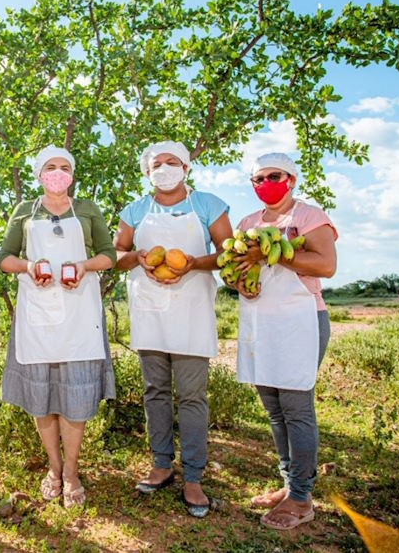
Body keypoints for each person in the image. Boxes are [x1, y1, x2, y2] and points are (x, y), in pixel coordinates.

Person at [114, 140, 233, 518]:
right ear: (146, 172)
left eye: (171, 162)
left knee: (192, 395)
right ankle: (161, 464)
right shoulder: (135, 210)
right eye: (156, 164)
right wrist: (136, 258)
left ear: (185, 167)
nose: (163, 168)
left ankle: (194, 476)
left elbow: (228, 253)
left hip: (192, 310)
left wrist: (194, 263)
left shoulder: (207, 205)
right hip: (149, 310)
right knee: (155, 391)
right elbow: (116, 255)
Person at [0, 145, 116, 508]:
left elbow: (109, 255)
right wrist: (30, 267)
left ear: (73, 174)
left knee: (75, 396)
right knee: (42, 395)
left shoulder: (86, 209)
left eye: (65, 167)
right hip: (37, 312)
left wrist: (83, 266)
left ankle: (72, 472)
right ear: (38, 174)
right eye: (50, 166)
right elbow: (5, 259)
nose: (58, 172)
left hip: (80, 310)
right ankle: (53, 467)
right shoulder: (24, 212)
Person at [233, 152, 337, 530]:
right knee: (275, 410)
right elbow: (236, 268)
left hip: (301, 319)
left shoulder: (309, 217)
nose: (264, 184)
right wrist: (239, 279)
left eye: (272, 176)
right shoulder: (248, 223)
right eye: (257, 179)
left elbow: (325, 264)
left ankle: (301, 497)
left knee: (296, 408)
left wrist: (274, 255)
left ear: (290, 179)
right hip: (261, 321)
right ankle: (289, 483)